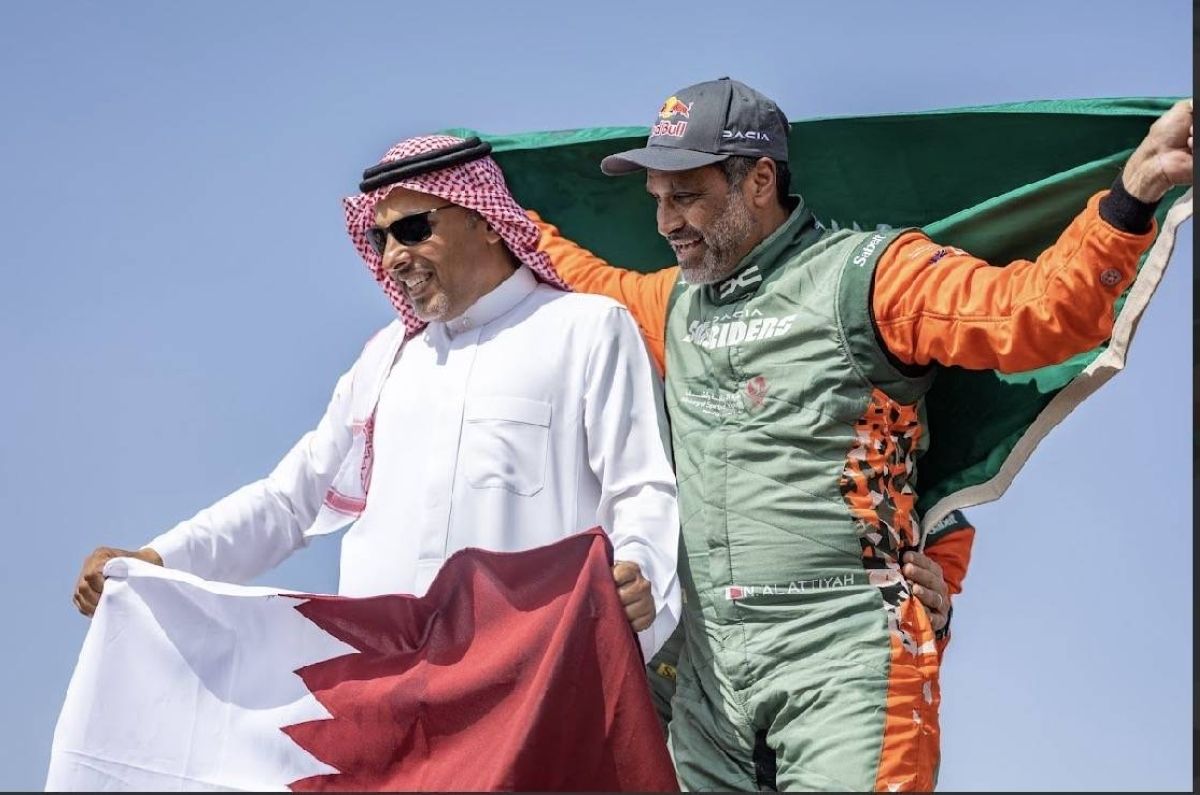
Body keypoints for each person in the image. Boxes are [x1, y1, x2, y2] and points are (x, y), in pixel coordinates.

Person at [530, 77, 1192, 791]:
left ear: (759, 180)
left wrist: (1135, 192)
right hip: (709, 686)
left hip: (849, 661)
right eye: (656, 198)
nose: (666, 222)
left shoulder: (874, 276)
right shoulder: (669, 306)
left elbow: (1035, 313)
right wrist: (466, 188)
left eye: (686, 195)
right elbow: (567, 274)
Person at [72, 134, 684, 662]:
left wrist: (643, 578)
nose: (393, 257)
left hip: (529, 678)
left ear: (484, 220)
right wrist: (159, 559)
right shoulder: (386, 360)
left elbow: (641, 487)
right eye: (379, 236)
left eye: (414, 229)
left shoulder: (586, 329)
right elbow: (289, 501)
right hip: (388, 684)